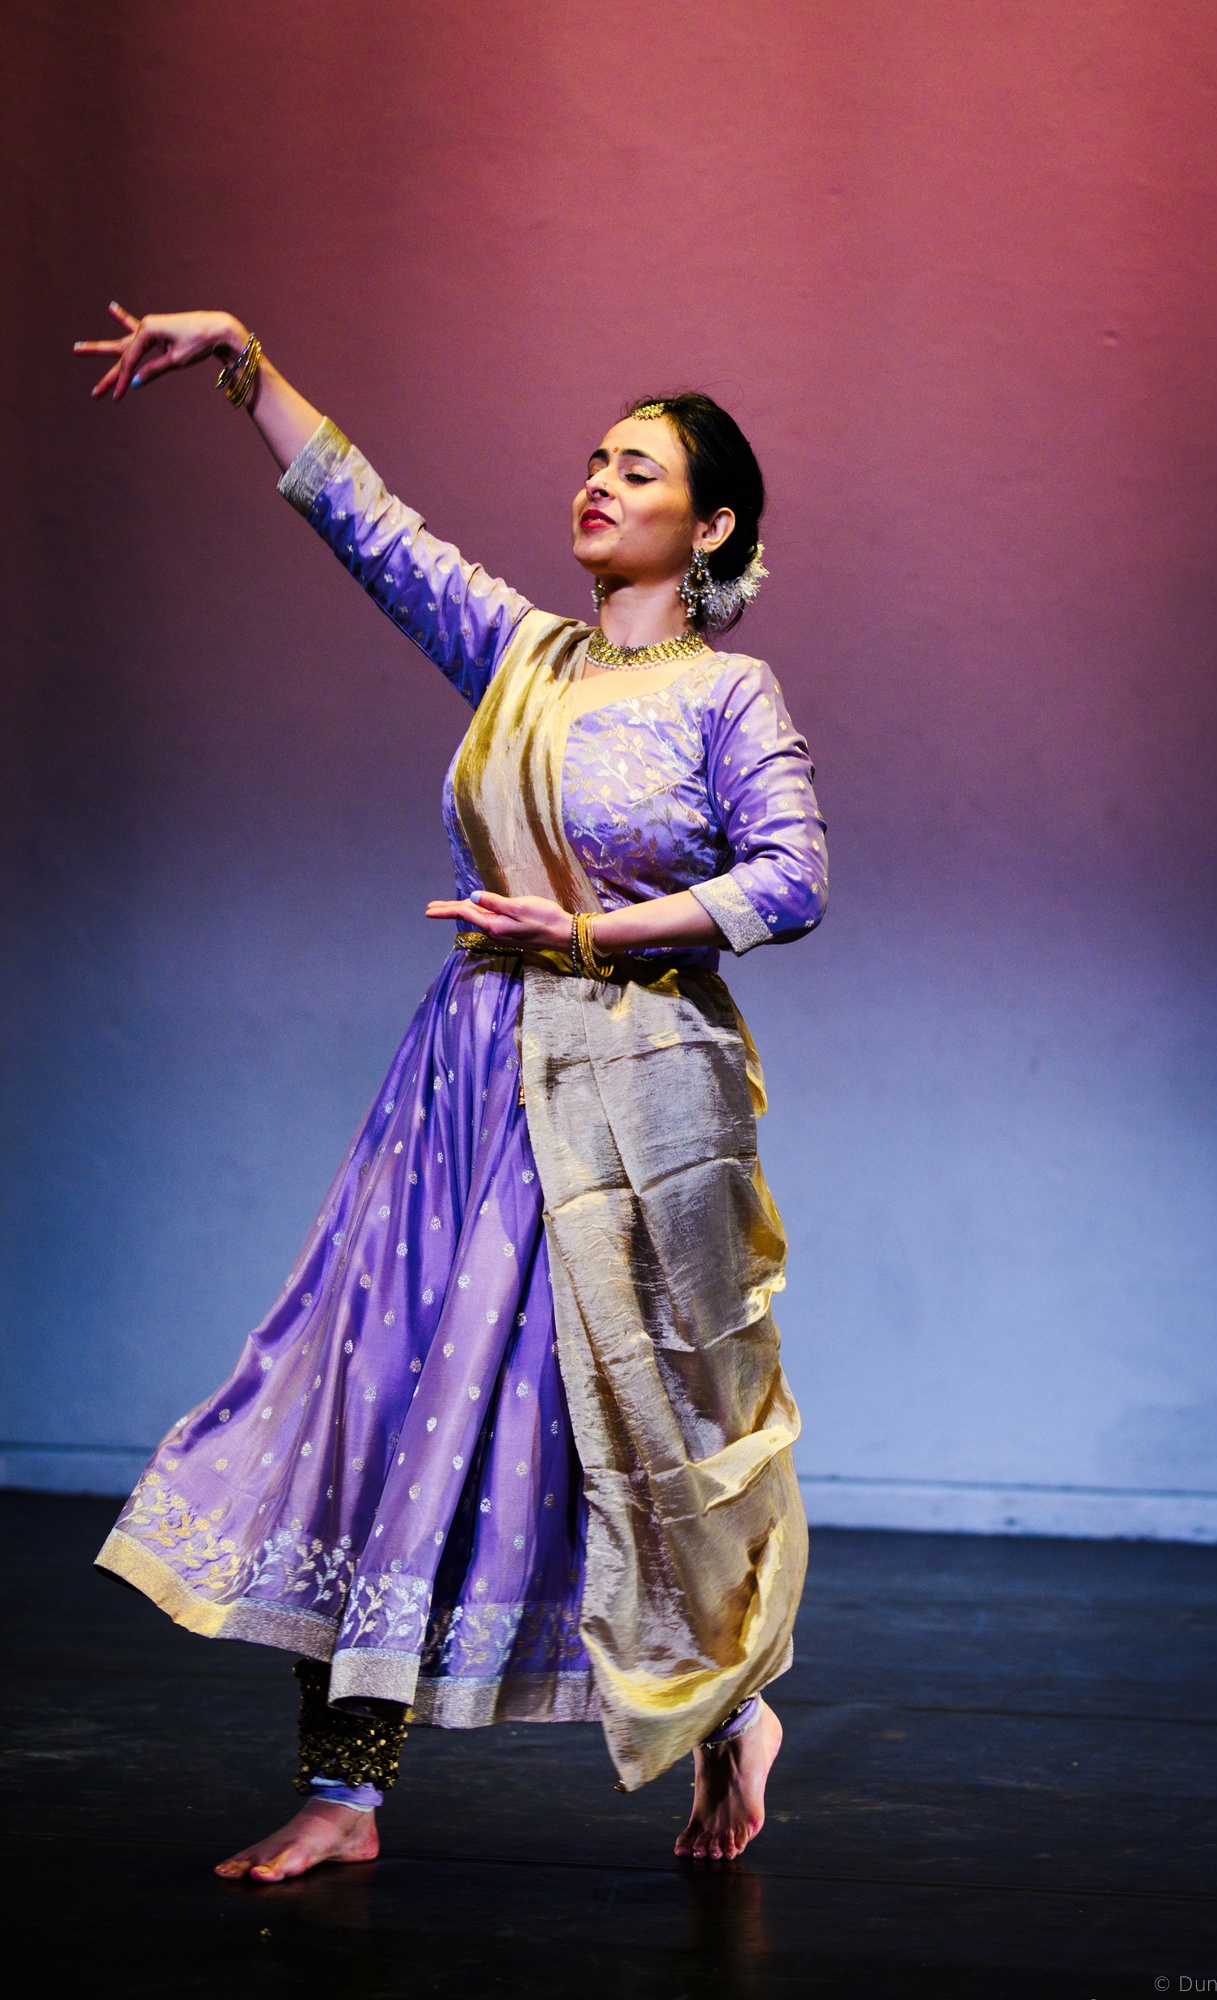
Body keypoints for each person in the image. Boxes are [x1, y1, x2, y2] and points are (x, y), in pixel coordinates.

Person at [75, 305, 829, 1878]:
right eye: (595, 459)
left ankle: (726, 1710)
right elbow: (374, 530)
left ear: (712, 526)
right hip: (468, 1080)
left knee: (637, 1424)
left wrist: (592, 933)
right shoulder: (521, 652)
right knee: (382, 1394)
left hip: (629, 1104)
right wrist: (245, 363)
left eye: (640, 470)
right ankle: (344, 1793)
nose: (599, 482)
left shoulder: (727, 694)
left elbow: (792, 880)